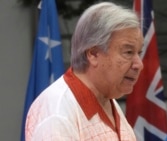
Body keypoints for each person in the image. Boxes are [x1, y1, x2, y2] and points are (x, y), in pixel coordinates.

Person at [25, 1, 144, 141]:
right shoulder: (57, 114)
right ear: (93, 54)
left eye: (139, 53)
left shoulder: (107, 99)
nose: (139, 64)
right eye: (128, 52)